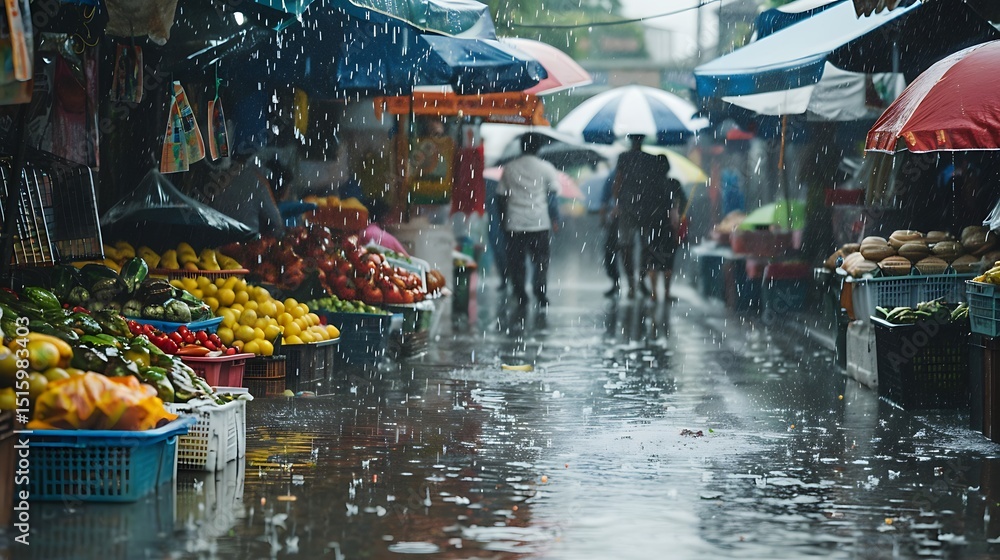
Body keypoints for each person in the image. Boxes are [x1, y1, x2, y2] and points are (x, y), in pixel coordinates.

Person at [496, 132, 561, 310]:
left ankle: (521, 294)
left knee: (516, 262)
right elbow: (552, 196)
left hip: (514, 222)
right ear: (539, 148)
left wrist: (503, 221)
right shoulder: (546, 168)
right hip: (539, 222)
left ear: (521, 146)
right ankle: (540, 291)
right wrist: (555, 218)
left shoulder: (509, 168)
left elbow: (500, 197)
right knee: (541, 260)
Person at [611, 134, 662, 298]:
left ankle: (632, 283)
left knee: (626, 246)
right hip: (646, 208)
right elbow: (654, 184)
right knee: (646, 246)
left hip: (627, 206)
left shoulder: (623, 158)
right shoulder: (651, 159)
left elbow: (618, 180)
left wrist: (616, 202)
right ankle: (641, 278)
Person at [644, 154, 687, 301]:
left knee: (653, 258)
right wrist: (679, 214)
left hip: (652, 225)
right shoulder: (673, 183)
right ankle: (667, 293)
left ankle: (654, 293)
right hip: (669, 225)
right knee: (668, 259)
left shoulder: (649, 184)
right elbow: (683, 201)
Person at [599, 168, 621, 297]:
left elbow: (604, 200)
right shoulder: (613, 176)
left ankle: (617, 281)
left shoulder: (613, 175)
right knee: (612, 251)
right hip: (617, 219)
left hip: (621, 218)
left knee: (612, 251)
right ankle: (616, 281)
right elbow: (605, 198)